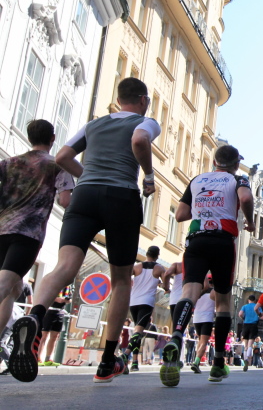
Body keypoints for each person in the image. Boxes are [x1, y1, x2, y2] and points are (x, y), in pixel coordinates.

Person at [10, 80, 159, 384]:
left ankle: (35, 315)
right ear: (143, 100)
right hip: (121, 197)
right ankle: (107, 362)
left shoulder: (93, 124)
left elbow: (63, 156)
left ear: (119, 98)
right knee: (121, 281)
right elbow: (140, 140)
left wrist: (87, 175)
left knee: (64, 266)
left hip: (85, 196)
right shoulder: (145, 121)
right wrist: (148, 174)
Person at [158, 144, 254, 386]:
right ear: (236, 165)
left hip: (196, 240)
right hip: (223, 241)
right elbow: (245, 198)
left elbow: (180, 214)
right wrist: (250, 222)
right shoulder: (238, 180)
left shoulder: (197, 180)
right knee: (222, 301)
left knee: (189, 292)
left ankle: (176, 335)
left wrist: (205, 209)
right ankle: (218, 363)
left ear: (214, 162)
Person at [0, 120, 75, 380]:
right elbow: (65, 200)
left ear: (30, 136)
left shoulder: (8, 163)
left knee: (13, 290)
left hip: (2, 228)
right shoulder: (57, 165)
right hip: (28, 233)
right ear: (53, 138)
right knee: (5, 284)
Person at [123, 245, 166, 372]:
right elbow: (166, 286)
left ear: (147, 254)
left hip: (134, 302)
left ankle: (134, 362)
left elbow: (126, 277)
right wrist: (161, 285)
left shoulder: (136, 266)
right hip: (146, 303)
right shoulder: (159, 268)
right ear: (157, 256)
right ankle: (125, 355)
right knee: (138, 331)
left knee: (138, 331)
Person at [38, 287, 71, 366]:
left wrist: (65, 300)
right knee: (44, 336)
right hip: (49, 311)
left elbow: (69, 300)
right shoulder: (55, 284)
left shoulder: (67, 287)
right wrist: (57, 299)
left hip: (60, 312)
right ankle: (38, 358)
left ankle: (48, 359)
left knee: (54, 337)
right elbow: (46, 295)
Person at [190, 279, 216, 374]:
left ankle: (196, 360)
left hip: (196, 318)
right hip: (207, 318)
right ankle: (196, 362)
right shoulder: (214, 293)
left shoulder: (199, 293)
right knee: (204, 342)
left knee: (200, 341)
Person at [238, 295, 260, 371]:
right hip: (254, 325)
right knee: (250, 344)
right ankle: (248, 358)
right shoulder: (257, 306)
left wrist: (243, 318)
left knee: (245, 344)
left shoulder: (245, 306)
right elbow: (261, 315)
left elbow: (240, 314)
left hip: (246, 324)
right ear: (255, 300)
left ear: (248, 300)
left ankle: (245, 359)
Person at [164, 261, 183, 329]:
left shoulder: (177, 265)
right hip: (187, 300)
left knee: (176, 325)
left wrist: (166, 288)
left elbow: (167, 273)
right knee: (181, 326)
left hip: (175, 299)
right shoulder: (196, 267)